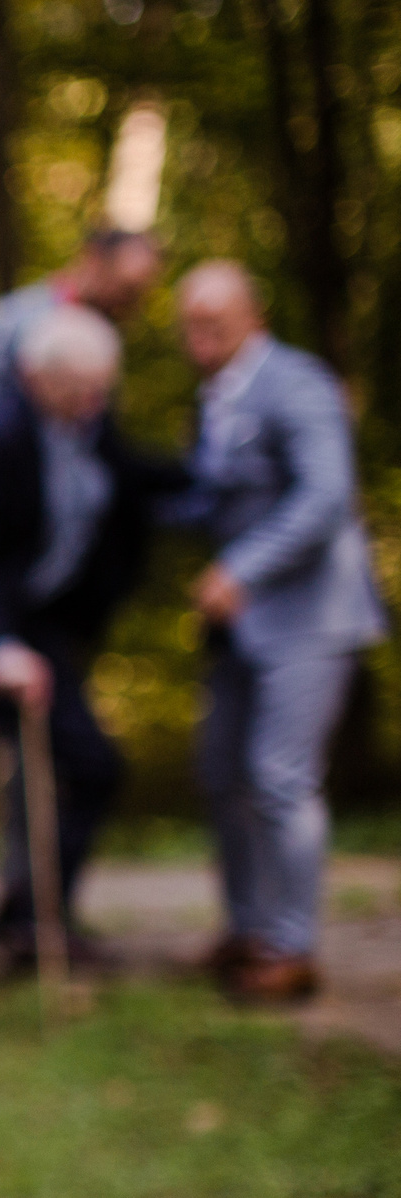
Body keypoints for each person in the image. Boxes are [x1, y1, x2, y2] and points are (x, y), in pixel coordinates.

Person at [0, 305, 184, 1022]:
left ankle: (29, 915)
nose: (91, 403)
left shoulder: (93, 424)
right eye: (76, 389)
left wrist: (229, 467)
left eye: (101, 389)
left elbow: (141, 478)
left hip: (41, 627)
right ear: (35, 377)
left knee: (94, 764)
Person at [175, 260, 389, 1001]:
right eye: (190, 327)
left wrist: (241, 569)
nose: (200, 340)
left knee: (280, 777)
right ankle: (249, 929)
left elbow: (326, 497)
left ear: (252, 319)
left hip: (309, 617)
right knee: (220, 775)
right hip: (239, 627)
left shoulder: (295, 384)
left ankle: (293, 947)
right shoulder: (212, 397)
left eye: (215, 325)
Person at [0, 228, 163, 527]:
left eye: (140, 295)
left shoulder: (103, 341)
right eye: (127, 289)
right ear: (93, 261)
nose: (132, 306)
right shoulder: (11, 323)